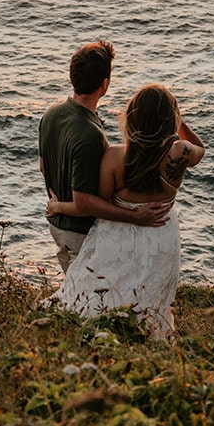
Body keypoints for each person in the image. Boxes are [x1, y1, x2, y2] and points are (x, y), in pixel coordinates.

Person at [46, 83, 205, 341]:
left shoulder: (115, 157)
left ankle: (100, 335)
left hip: (117, 233)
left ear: (133, 116)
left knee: (105, 288)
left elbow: (98, 201)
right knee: (151, 297)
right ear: (170, 119)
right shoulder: (180, 152)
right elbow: (200, 148)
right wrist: (179, 122)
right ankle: (145, 339)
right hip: (160, 234)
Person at [39, 41, 168, 276]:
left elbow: (43, 165)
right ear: (104, 84)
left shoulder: (51, 113)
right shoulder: (90, 135)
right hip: (80, 234)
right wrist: (135, 216)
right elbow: (84, 203)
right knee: (91, 304)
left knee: (75, 296)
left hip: (57, 227)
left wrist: (56, 202)